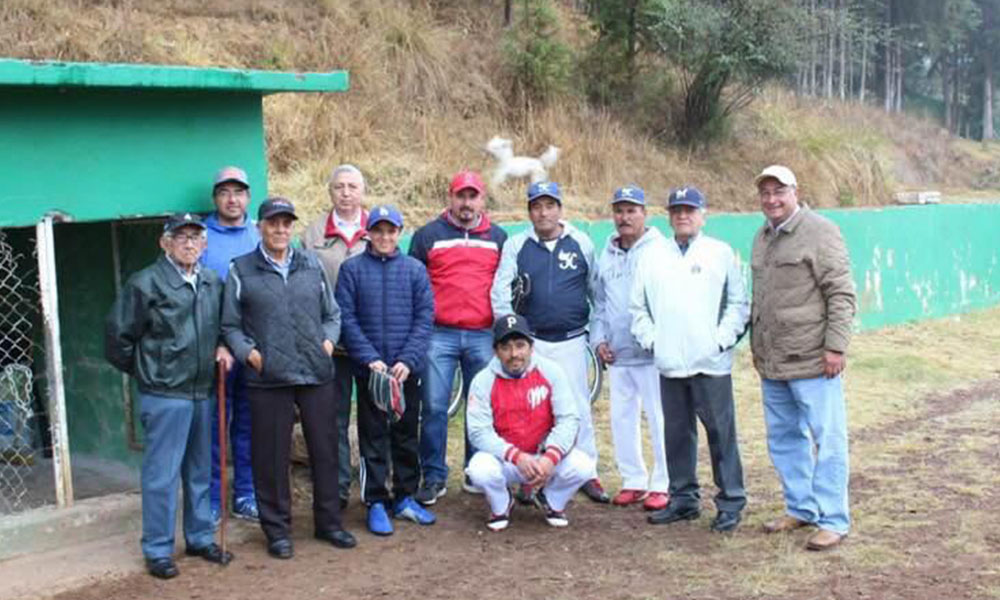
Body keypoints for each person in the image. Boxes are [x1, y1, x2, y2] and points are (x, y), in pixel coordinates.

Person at [220, 197, 356, 559]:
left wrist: (327, 342)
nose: (280, 230)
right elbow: (230, 325)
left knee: (325, 451)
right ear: (260, 226)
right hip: (269, 376)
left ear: (292, 227)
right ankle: (277, 531)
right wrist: (250, 354)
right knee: (271, 456)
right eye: (272, 223)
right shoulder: (241, 270)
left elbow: (333, 313)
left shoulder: (311, 264)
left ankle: (329, 523)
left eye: (286, 223)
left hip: (315, 372)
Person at [105, 213, 234, 579]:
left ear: (205, 243)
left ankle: (199, 537)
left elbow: (222, 327)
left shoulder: (211, 281)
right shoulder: (145, 284)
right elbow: (118, 339)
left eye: (195, 237)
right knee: (162, 475)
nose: (189, 243)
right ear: (165, 242)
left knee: (200, 471)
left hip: (202, 391)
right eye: (181, 237)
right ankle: (159, 549)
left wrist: (223, 346)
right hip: (165, 394)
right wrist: (150, 371)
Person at [630, 186, 749, 533]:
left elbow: (738, 304)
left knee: (720, 434)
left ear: (703, 214)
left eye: (689, 209)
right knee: (677, 434)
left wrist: (720, 341)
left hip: (710, 363)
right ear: (668, 215)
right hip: (669, 363)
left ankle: (730, 502)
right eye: (676, 210)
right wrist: (655, 342)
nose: (683, 215)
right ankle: (683, 499)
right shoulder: (652, 255)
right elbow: (637, 307)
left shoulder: (720, 252)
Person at [751, 165, 856, 551]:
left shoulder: (821, 231)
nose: (772, 199)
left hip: (814, 359)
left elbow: (841, 293)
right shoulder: (762, 236)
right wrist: (757, 348)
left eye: (779, 191)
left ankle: (833, 519)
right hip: (773, 362)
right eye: (765, 193)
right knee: (783, 439)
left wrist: (836, 347)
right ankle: (801, 507)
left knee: (827, 440)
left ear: (796, 191)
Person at [491, 181, 609, 503]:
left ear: (560, 208)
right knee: (534, 409)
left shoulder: (580, 242)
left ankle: (588, 472)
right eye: (536, 206)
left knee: (579, 408)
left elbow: (596, 294)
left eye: (549, 205)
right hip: (534, 344)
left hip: (571, 341)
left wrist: (596, 333)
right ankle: (532, 476)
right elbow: (500, 291)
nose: (543, 212)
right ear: (529, 211)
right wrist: (512, 336)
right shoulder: (517, 245)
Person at [335, 205, 436, 536]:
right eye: (378, 230)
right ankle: (375, 501)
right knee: (373, 437)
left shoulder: (415, 270)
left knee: (407, 436)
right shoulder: (352, 270)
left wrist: (407, 360)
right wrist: (370, 360)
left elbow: (425, 318)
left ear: (399, 233)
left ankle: (405, 497)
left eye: (390, 231)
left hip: (406, 372)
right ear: (368, 233)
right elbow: (346, 318)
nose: (384, 236)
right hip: (371, 374)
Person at [408, 170, 508, 505]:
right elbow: (415, 286)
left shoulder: (499, 237)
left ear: (482, 200)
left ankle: (474, 470)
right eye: (460, 196)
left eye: (473, 196)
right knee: (435, 406)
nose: (466, 203)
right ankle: (434, 476)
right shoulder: (427, 236)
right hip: (440, 334)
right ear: (451, 198)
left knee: (479, 408)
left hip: (482, 334)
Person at [465, 314, 596, 530]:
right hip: (506, 458)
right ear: (495, 351)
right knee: (479, 469)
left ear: (531, 347)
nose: (514, 354)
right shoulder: (483, 380)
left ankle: (551, 500)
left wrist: (550, 458)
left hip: (542, 455)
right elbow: (479, 432)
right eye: (506, 347)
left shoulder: (551, 371)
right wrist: (516, 456)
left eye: (520, 345)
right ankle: (501, 504)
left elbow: (569, 419)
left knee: (584, 465)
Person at [590, 186, 670, 511]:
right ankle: (633, 480)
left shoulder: (660, 250)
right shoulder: (605, 253)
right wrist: (598, 340)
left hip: (653, 354)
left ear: (644, 214)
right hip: (618, 354)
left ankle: (663, 483)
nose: (624, 217)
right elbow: (598, 303)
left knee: (660, 418)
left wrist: (662, 341)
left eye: (631, 210)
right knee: (622, 420)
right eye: (619, 211)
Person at [301, 163, 370, 510]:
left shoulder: (380, 228)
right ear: (330, 192)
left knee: (376, 418)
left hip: (372, 344)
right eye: (339, 187)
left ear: (362, 192)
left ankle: (375, 488)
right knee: (336, 419)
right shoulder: (312, 234)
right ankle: (339, 487)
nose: (345, 193)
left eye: (352, 186)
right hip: (332, 346)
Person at [199, 166, 260, 524]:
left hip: (252, 348)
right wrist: (219, 343)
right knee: (214, 426)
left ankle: (246, 494)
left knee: (248, 425)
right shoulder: (202, 235)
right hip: (217, 350)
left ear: (248, 197)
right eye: (224, 192)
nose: (232, 199)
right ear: (215, 198)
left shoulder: (259, 233)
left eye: (238, 192)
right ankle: (213, 498)